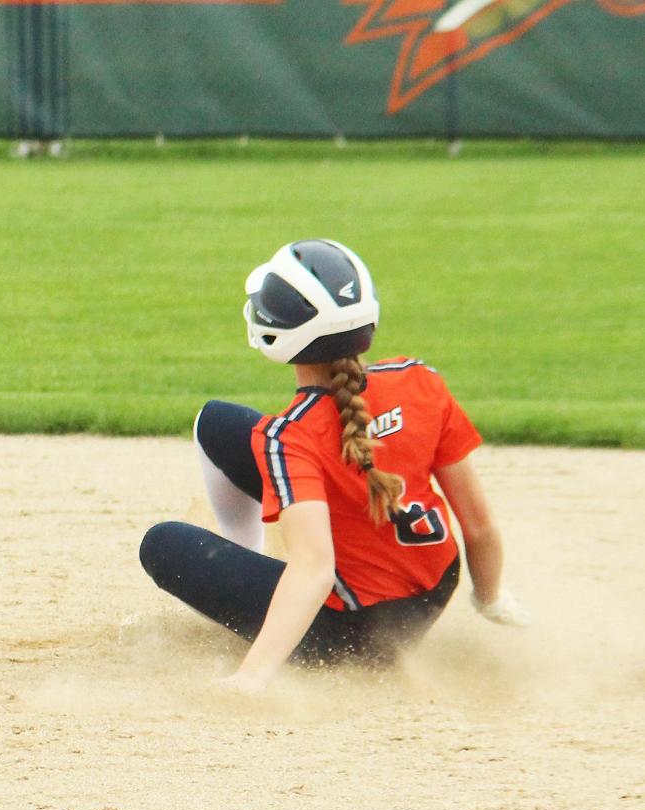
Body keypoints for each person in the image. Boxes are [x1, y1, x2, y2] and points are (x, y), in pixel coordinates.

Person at [138, 239, 529, 693]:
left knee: (162, 544)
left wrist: (251, 678)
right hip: (436, 585)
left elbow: (314, 569)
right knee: (216, 422)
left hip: (358, 633)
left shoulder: (292, 435)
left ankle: (276, 635)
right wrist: (490, 598)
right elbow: (478, 526)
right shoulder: (419, 379)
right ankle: (250, 559)